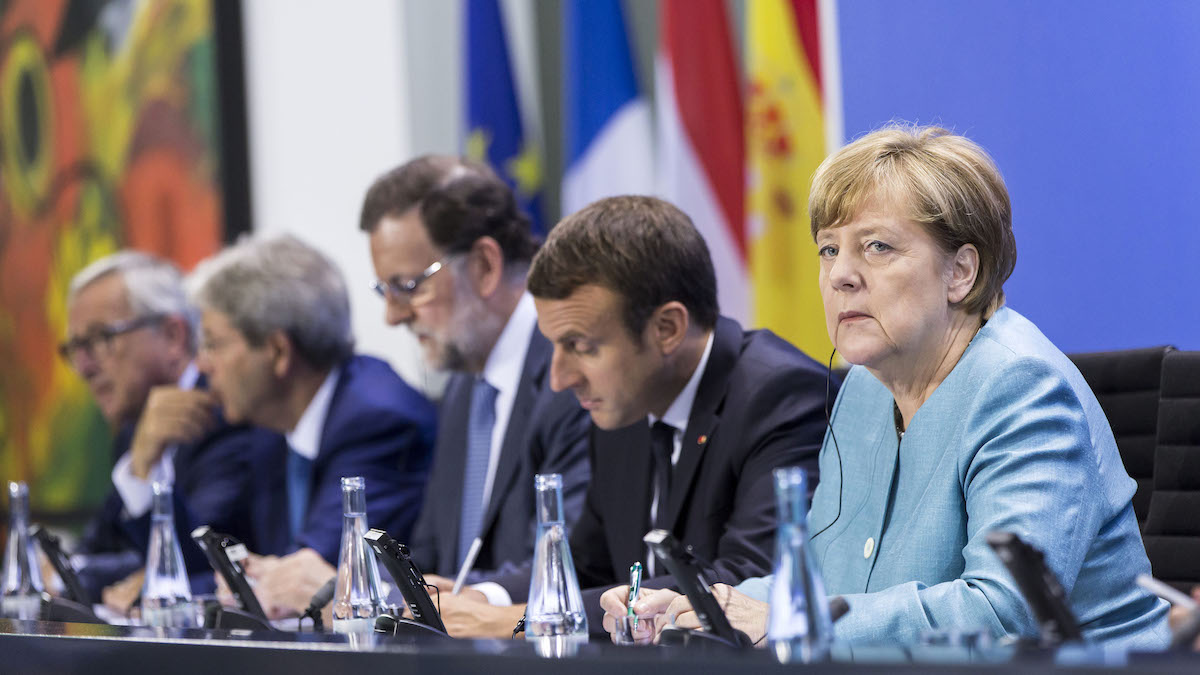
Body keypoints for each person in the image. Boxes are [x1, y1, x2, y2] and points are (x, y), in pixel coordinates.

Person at [610, 125, 1169, 650]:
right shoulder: (862, 391)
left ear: (960, 273)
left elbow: (1003, 616)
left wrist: (788, 620)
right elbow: (832, 582)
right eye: (829, 249)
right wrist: (705, 603)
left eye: (877, 246)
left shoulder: (1022, 387)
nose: (839, 275)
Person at [435, 195, 833, 638]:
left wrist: (518, 621)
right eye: (554, 347)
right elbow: (588, 565)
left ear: (667, 329)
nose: (559, 379)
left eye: (582, 347)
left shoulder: (782, 396)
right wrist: (477, 597)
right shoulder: (625, 405)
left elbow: (745, 584)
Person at [359, 156, 590, 595]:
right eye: (383, 291)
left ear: (485, 265)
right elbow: (429, 554)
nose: (392, 316)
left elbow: (575, 562)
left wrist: (468, 601)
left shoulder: (575, 374)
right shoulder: (463, 386)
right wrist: (359, 586)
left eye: (408, 286)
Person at [189, 234, 437, 619]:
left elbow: (305, 579)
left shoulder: (378, 420)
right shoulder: (270, 426)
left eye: (214, 344)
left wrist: (251, 577)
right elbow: (212, 556)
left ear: (278, 351)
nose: (203, 366)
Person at [61, 251, 283, 607]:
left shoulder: (226, 414)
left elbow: (201, 561)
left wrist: (145, 468)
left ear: (173, 335)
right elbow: (103, 546)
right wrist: (71, 568)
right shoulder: (133, 428)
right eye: (75, 347)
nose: (84, 366)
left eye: (101, 338)